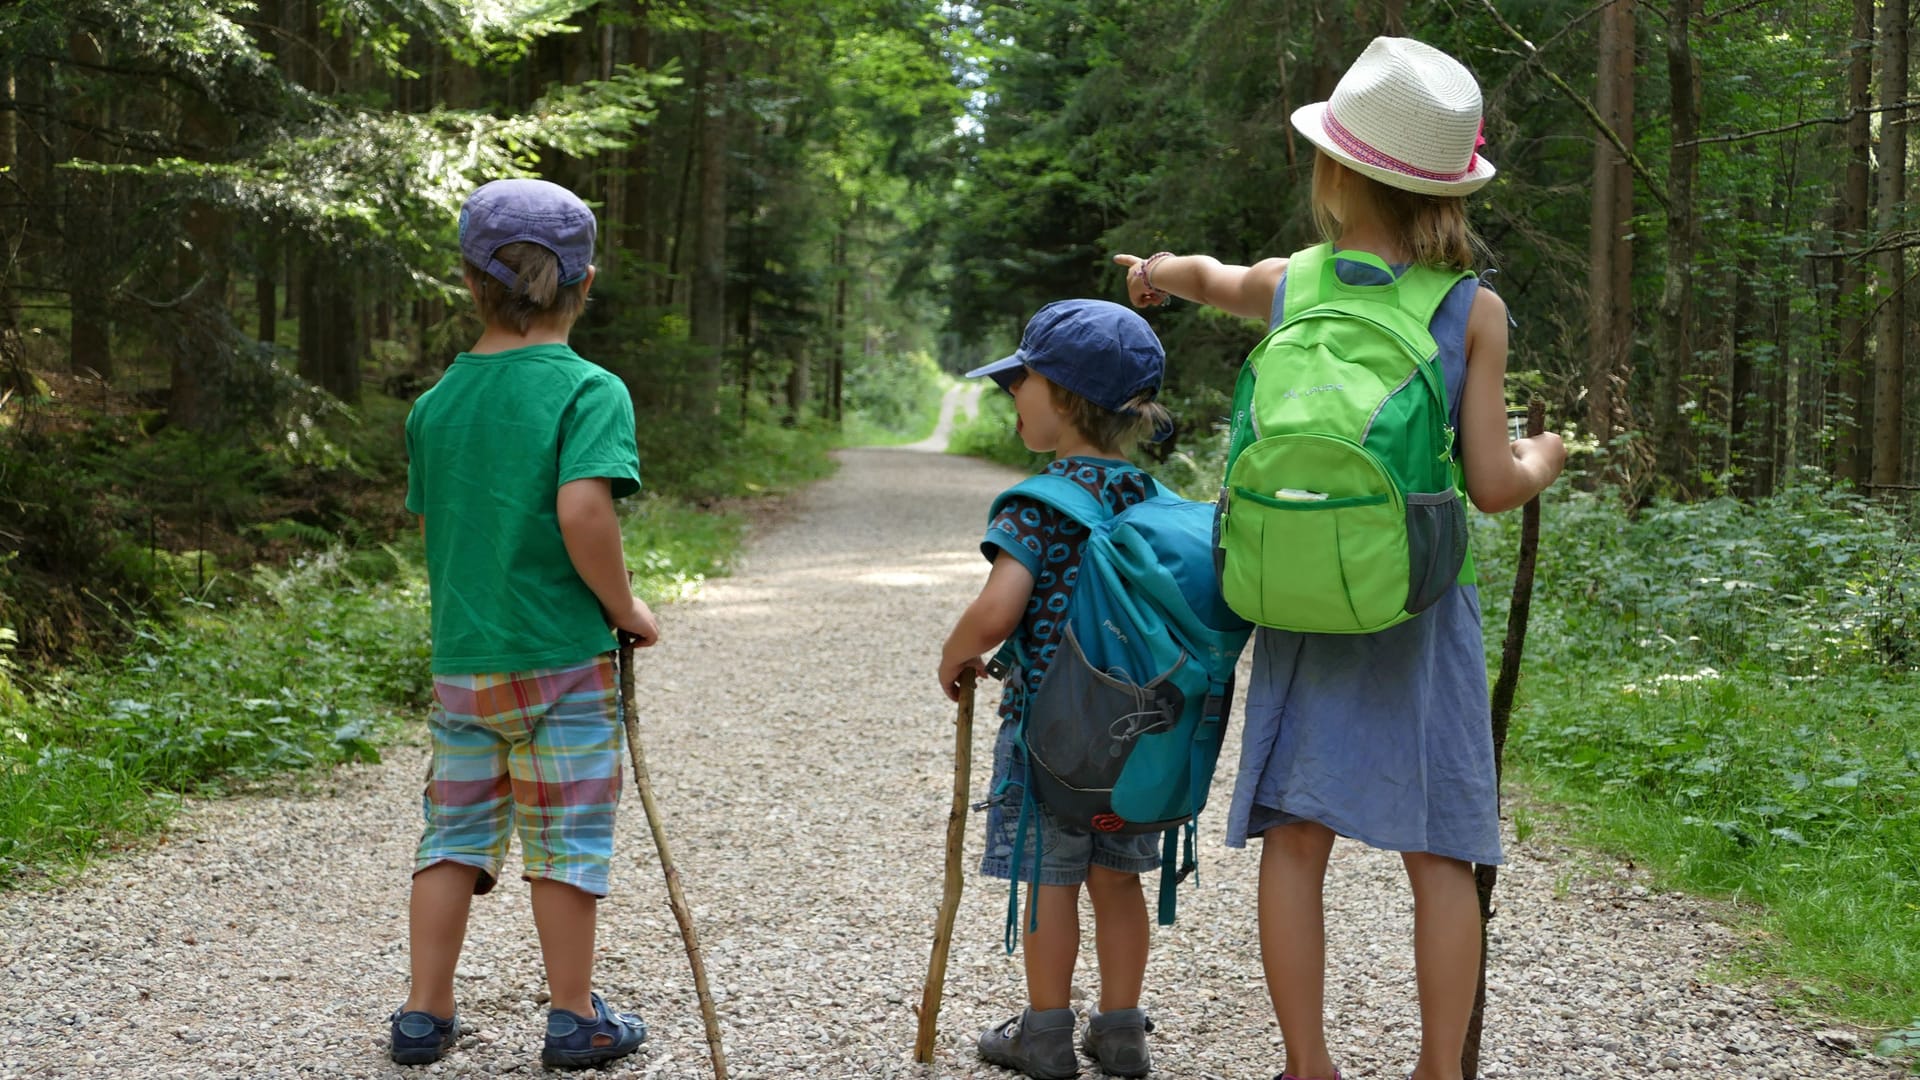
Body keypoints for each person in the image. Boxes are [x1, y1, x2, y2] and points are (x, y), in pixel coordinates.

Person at [1112, 37, 1567, 1080]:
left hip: (1298, 593)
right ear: (1445, 187)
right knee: (1441, 848)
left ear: (1333, 169)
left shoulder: (1290, 285)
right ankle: (1437, 1070)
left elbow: (1204, 275)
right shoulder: (1470, 309)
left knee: (1298, 839)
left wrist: (1154, 275)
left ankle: (1308, 1066)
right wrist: (1550, 452)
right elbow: (1493, 485)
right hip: (1415, 602)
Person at [391, 178, 661, 1070]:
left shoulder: (435, 406)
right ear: (585, 284)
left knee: (453, 833)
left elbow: (445, 532)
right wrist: (623, 607)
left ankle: (425, 1013)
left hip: (466, 663)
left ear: (471, 282)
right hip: (559, 661)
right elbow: (584, 510)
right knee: (566, 837)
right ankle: (574, 1016)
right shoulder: (590, 390)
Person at [938, 299, 1175, 1080]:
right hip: (1142, 739)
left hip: (1050, 741)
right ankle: (1121, 1032)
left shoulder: (1041, 507)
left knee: (1050, 879)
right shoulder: (1153, 505)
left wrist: (956, 654)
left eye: (1022, 383)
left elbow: (999, 609)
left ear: (1065, 399)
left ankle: (1043, 1034)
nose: (1012, 397)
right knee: (1119, 880)